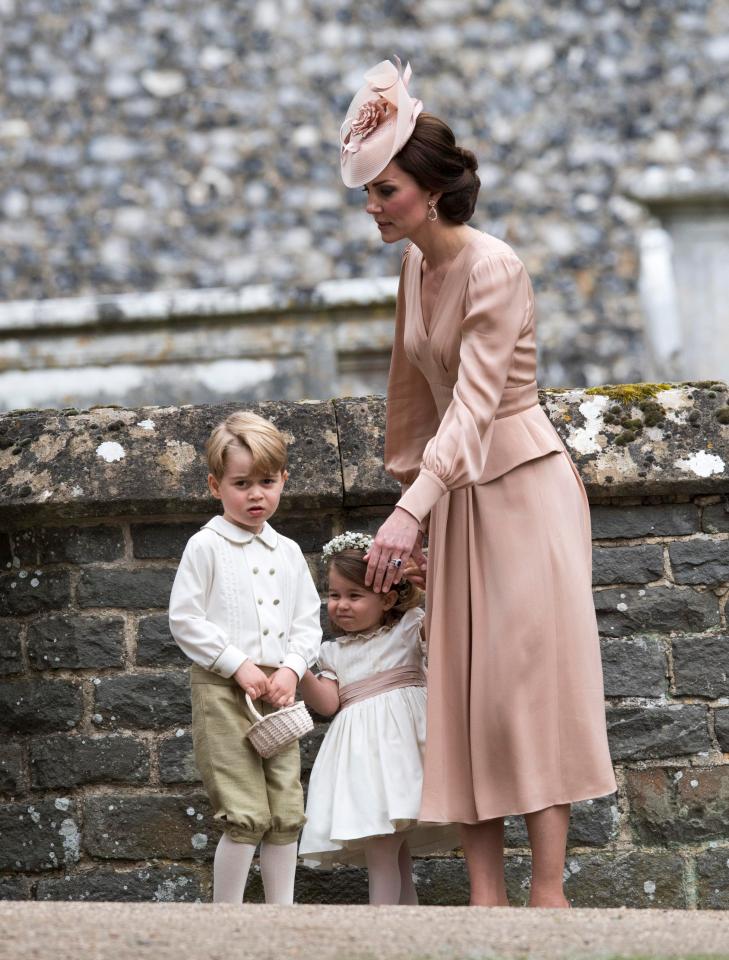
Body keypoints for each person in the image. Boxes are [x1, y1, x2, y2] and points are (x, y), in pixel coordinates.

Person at [339, 57, 617, 907]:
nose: (373, 208)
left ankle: (548, 892)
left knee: (527, 682)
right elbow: (411, 403)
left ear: (428, 190)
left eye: (384, 191)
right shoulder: (413, 270)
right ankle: (484, 898)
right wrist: (414, 510)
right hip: (453, 497)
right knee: (460, 685)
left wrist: (405, 510)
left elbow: (473, 404)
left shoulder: (493, 267)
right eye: (368, 193)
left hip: (523, 487)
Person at [168, 411, 321, 904]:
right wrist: (237, 663)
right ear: (216, 485)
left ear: (284, 481)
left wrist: (294, 668)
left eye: (267, 482)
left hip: (279, 695)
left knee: (284, 810)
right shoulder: (205, 546)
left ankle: (282, 916)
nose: (256, 494)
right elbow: (186, 618)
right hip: (223, 689)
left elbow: (307, 620)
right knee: (245, 810)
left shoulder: (290, 552)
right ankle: (227, 919)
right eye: (241, 483)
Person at [298, 532, 456, 905]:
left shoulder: (407, 629)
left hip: (405, 754)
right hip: (364, 762)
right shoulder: (333, 652)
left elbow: (444, 629)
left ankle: (381, 931)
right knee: (389, 850)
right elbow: (327, 704)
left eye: (355, 596)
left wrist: (433, 585)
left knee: (386, 848)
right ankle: (403, 932)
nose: (342, 605)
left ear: (385, 598)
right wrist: (300, 669)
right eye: (335, 596)